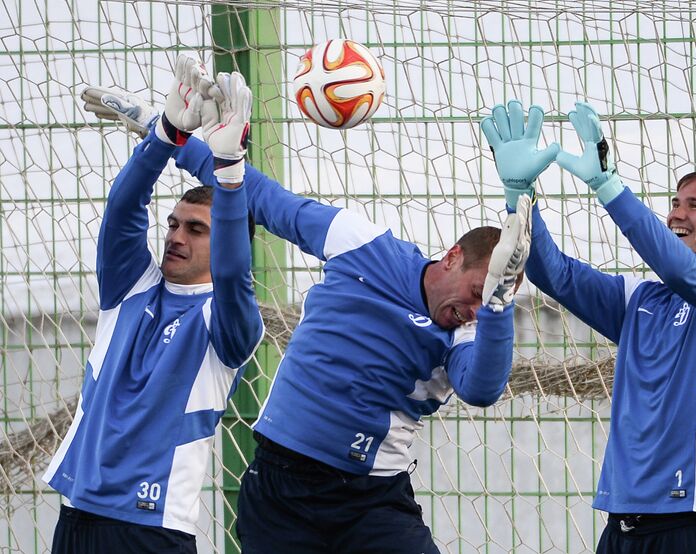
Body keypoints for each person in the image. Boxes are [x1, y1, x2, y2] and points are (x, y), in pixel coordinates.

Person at [83, 75, 558, 552]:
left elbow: (481, 388)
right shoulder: (365, 246)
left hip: (372, 503)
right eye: (478, 291)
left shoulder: (472, 329)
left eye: (487, 302)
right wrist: (159, 129)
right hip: (280, 489)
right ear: (453, 256)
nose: (473, 310)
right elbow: (265, 199)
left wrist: (496, 307)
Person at [481, 100, 696, 553]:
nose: (676, 214)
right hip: (622, 526)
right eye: (674, 203)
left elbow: (681, 272)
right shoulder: (643, 298)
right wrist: (520, 194)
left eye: (694, 205)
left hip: (693, 523)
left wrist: (607, 186)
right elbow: (553, 274)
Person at [43, 56, 263, 553]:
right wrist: (164, 135)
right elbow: (122, 211)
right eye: (174, 224)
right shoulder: (131, 287)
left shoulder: (226, 322)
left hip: (149, 528)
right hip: (76, 513)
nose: (176, 236)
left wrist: (229, 170)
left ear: (227, 241)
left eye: (196, 229)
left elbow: (232, 273)